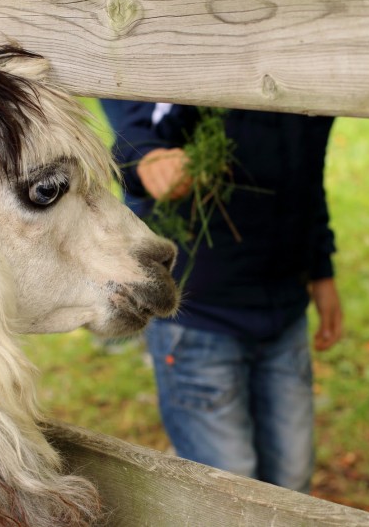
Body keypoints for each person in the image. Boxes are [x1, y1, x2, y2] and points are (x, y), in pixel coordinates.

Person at [101, 100, 343, 493]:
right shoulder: (193, 50)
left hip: (284, 308)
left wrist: (321, 268)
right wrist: (150, 160)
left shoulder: (311, 69)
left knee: (293, 473)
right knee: (228, 484)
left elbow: (308, 174)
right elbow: (133, 134)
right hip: (200, 317)